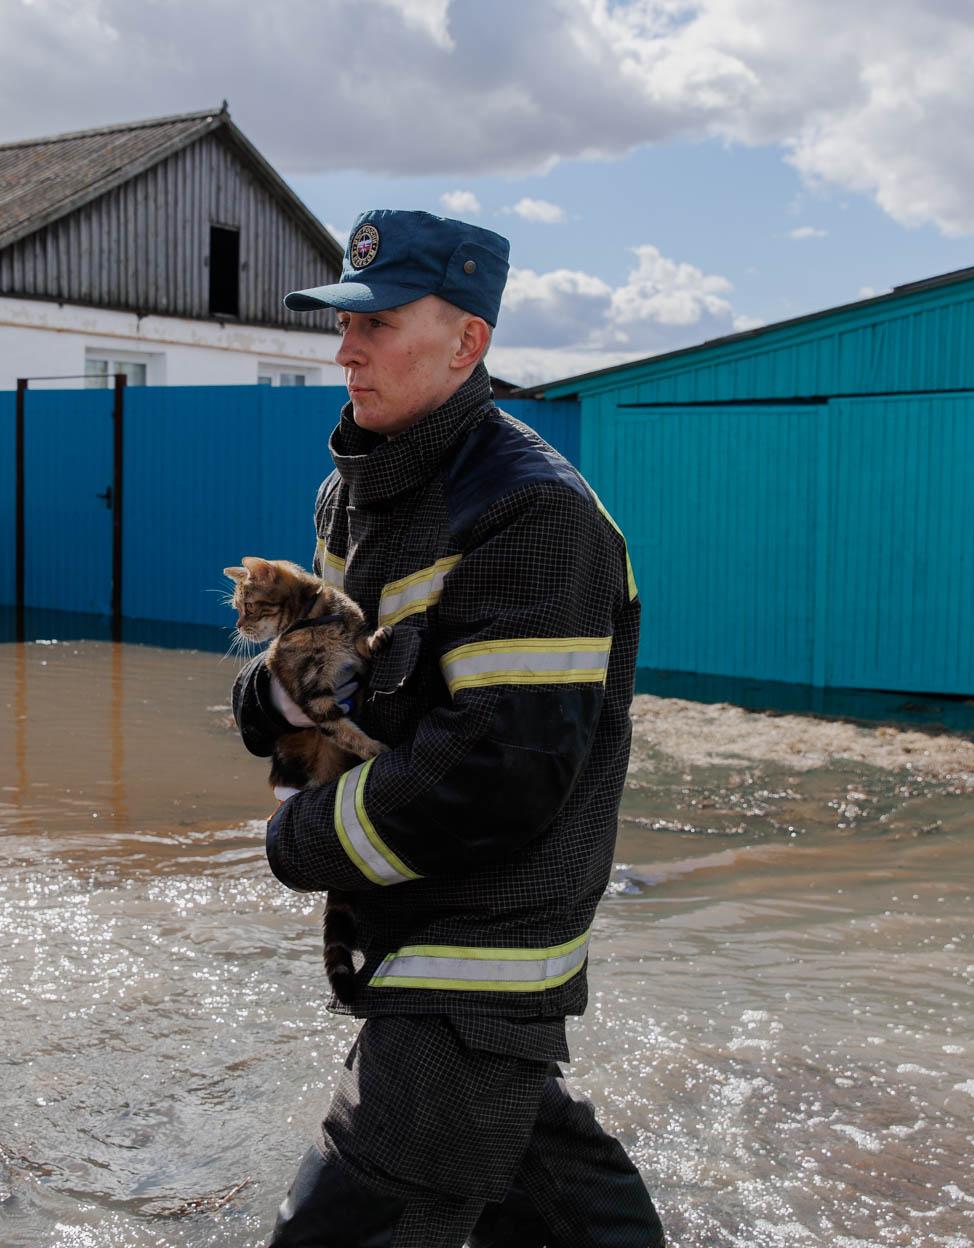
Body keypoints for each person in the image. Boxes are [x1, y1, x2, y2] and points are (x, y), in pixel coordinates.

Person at [231, 209, 665, 1247]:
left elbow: (499, 777)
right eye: (345, 321)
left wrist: (301, 839)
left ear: (469, 341)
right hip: (409, 943)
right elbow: (340, 680)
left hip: (476, 959)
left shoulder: (532, 515)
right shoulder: (354, 494)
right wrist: (271, 699)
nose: (347, 347)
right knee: (560, 1211)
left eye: (379, 322)